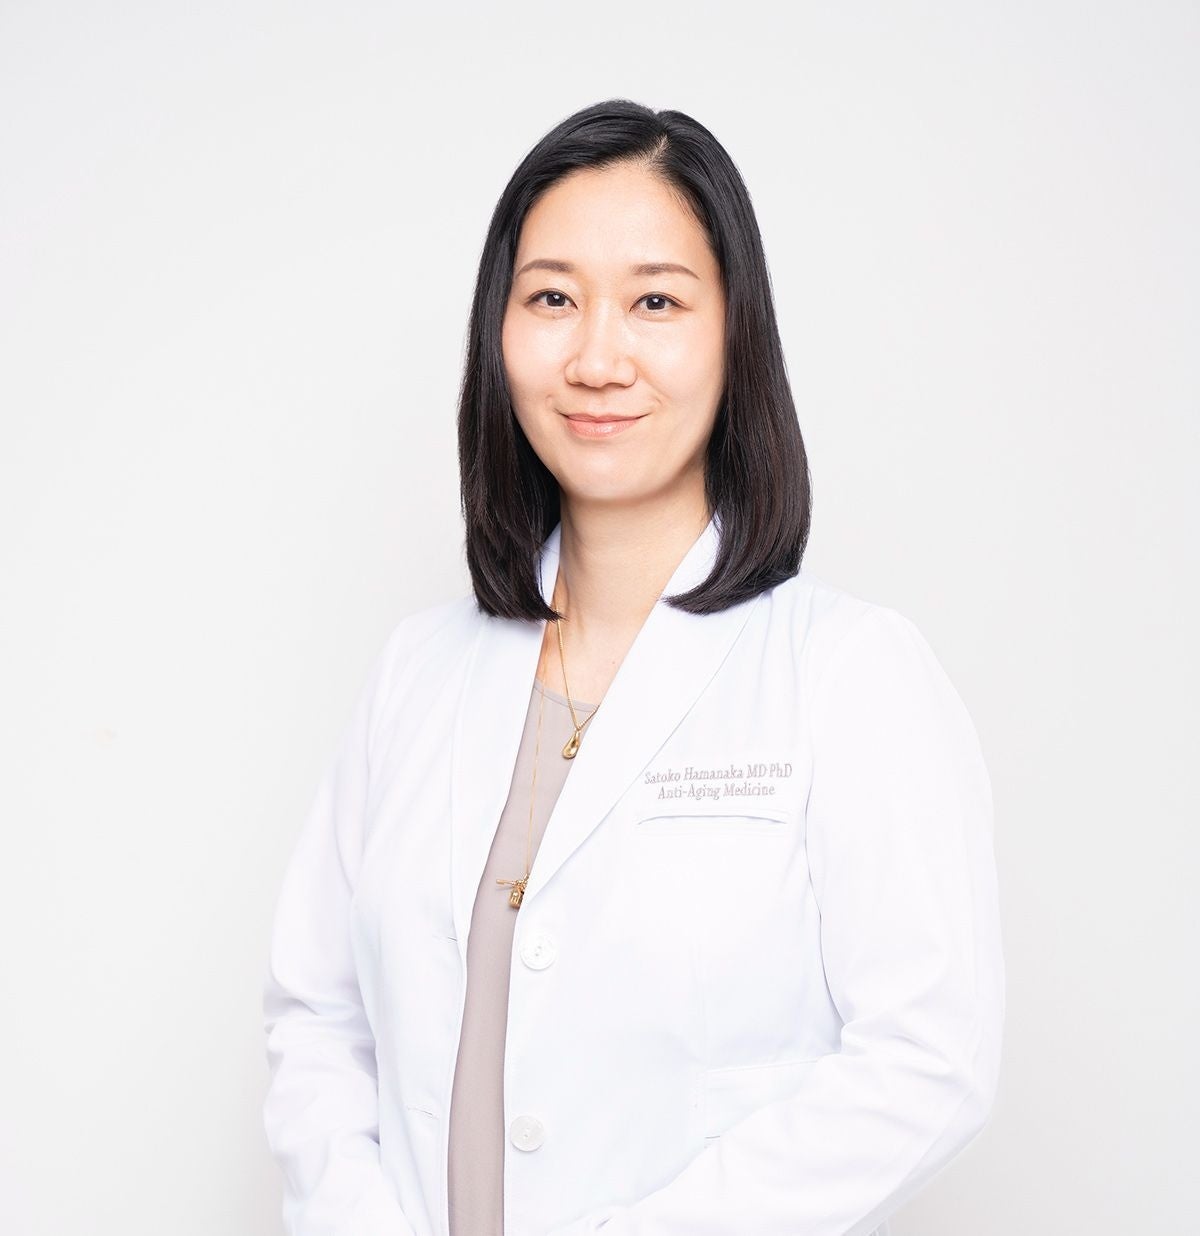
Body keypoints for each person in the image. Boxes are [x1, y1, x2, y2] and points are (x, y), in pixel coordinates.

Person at [261, 98, 1005, 1236]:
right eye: (552, 299)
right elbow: (317, 1014)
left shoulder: (850, 676)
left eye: (656, 301)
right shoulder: (417, 674)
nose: (597, 358)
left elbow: (928, 1059)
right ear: (498, 335)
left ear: (735, 334)